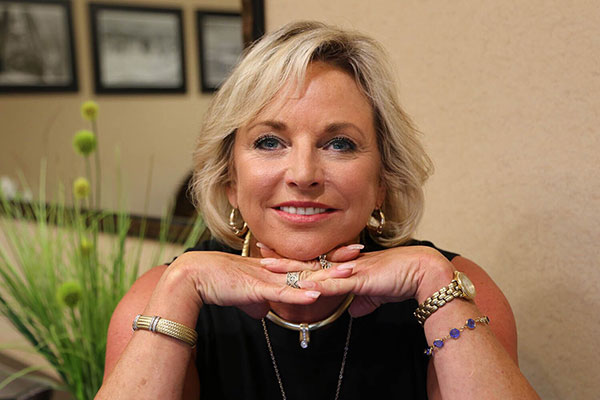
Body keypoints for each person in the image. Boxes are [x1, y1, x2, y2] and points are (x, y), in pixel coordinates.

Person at [97, 21, 540, 399]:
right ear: (230, 180)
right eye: (269, 142)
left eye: (339, 144)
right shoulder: (157, 298)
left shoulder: (460, 289)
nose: (303, 174)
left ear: (382, 180)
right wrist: (180, 287)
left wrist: (435, 281)